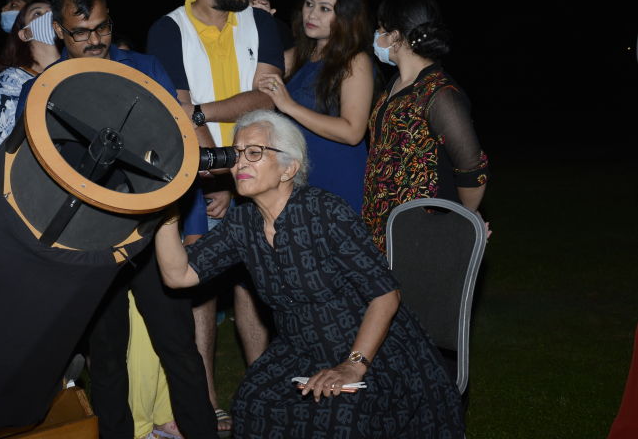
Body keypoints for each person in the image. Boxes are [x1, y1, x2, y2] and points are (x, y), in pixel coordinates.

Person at [154, 109, 465, 438]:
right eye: (236, 154)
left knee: (341, 413)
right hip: (298, 351)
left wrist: (352, 365)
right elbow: (179, 275)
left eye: (255, 153)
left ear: (289, 167)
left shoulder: (324, 212)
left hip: (372, 349)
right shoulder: (242, 222)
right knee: (252, 401)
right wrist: (165, 206)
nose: (240, 163)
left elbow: (385, 295)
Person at [24, 0, 216, 438]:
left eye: (102, 27)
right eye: (80, 32)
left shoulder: (146, 67)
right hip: (90, 243)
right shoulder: (47, 88)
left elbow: (178, 146)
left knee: (179, 350)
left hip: (152, 234)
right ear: (58, 32)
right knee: (106, 358)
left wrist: (190, 223)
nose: (95, 41)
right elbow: (31, 166)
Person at [147, 0, 284, 431]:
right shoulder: (168, 29)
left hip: (262, 175)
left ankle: (263, 386)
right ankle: (206, 397)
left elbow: (268, 97)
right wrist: (220, 176)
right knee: (201, 287)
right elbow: (181, 109)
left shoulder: (260, 21)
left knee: (257, 284)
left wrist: (233, 168)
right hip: (203, 180)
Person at [363, 0, 489, 253]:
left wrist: (462, 221)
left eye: (381, 29)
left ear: (395, 36)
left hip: (424, 234)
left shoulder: (440, 94)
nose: (376, 36)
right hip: (383, 228)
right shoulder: (394, 84)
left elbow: (473, 169)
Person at [259, 0, 374, 213]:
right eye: (309, 4)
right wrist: (258, 23)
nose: (311, 15)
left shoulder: (355, 60)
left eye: (325, 9)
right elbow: (255, 73)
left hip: (336, 180)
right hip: (298, 178)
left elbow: (353, 132)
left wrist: (289, 105)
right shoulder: (300, 55)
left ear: (345, 16)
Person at [0, 0, 59, 183]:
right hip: (23, 182)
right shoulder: (13, 80)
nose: (47, 17)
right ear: (24, 34)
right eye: (38, 14)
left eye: (53, 12)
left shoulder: (75, 70)